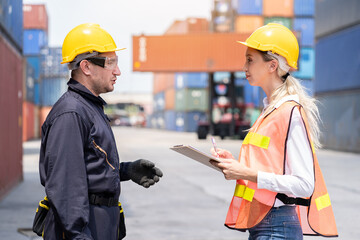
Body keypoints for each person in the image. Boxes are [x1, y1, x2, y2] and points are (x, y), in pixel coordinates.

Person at [210, 23, 338, 239]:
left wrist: (246, 173)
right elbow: (270, 165)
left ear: (272, 66)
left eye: (250, 60)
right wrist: (236, 165)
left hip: (277, 227)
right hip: (263, 224)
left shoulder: (290, 112)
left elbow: (304, 185)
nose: (244, 67)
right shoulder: (269, 110)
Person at [37, 23, 163, 240]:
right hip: (84, 229)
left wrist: (125, 170)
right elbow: (66, 187)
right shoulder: (71, 114)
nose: (118, 71)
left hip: (101, 225)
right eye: (110, 63)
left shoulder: (89, 107)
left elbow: (87, 166)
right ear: (86, 67)